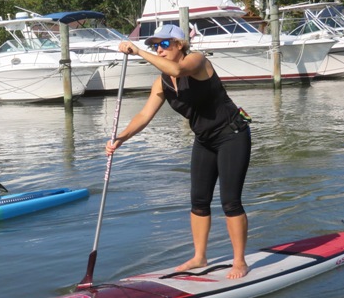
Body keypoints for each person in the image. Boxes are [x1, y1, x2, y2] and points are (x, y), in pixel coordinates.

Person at [105, 24, 251, 278]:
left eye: (163, 44)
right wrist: (121, 138)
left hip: (232, 135)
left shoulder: (196, 61)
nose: (158, 50)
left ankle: (239, 261)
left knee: (230, 201)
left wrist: (138, 52)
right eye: (154, 45)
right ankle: (199, 257)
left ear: (180, 44)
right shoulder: (161, 83)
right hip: (204, 140)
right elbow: (144, 115)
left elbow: (177, 68)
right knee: (198, 201)